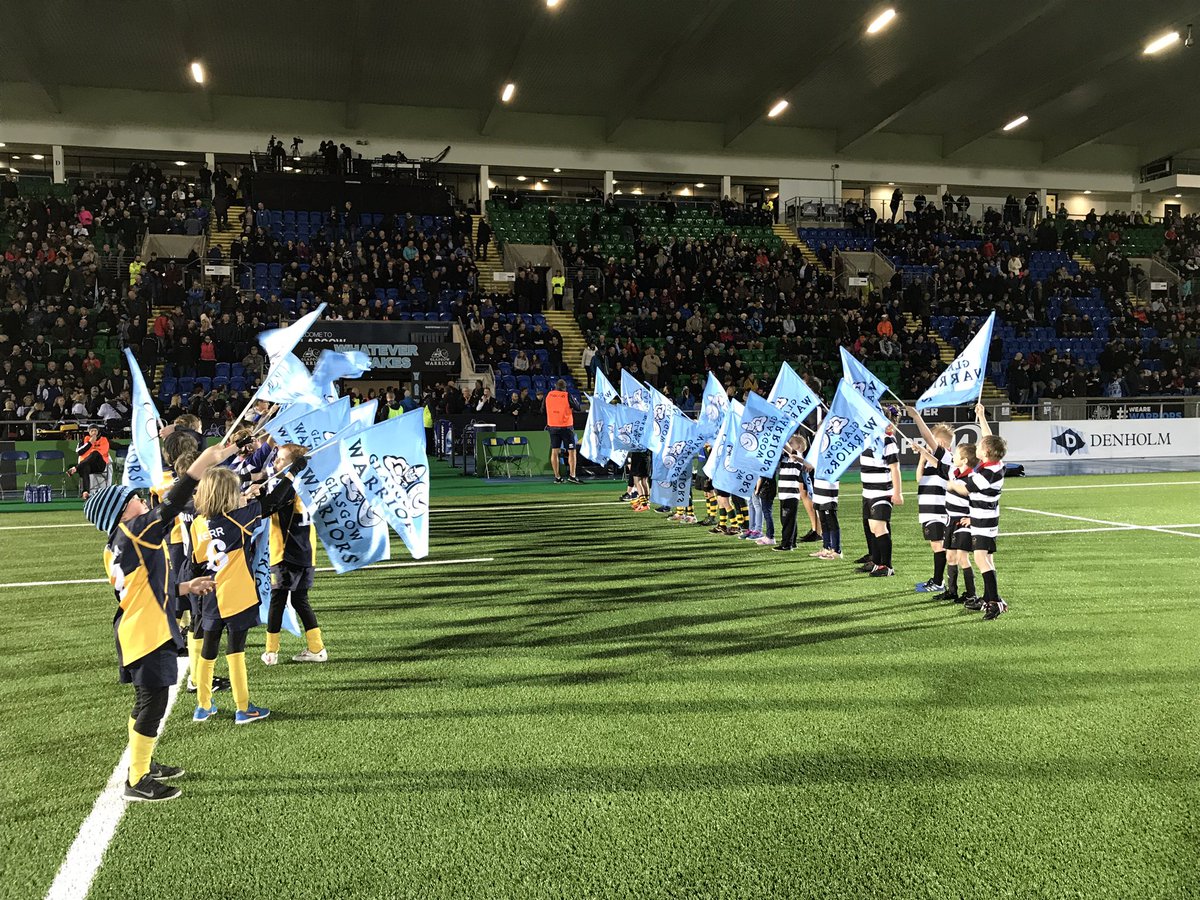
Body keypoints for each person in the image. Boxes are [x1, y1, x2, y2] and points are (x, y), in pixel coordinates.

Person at [83, 439, 237, 802]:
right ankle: (137, 780)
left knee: (145, 702)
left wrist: (185, 586)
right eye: (134, 499)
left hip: (138, 628)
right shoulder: (135, 531)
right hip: (147, 633)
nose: (141, 500)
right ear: (124, 513)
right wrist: (205, 461)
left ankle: (142, 764)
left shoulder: (118, 544)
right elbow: (171, 505)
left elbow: (147, 589)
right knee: (152, 705)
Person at [186, 465, 295, 724]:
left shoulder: (198, 522)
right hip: (236, 594)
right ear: (228, 495)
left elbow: (194, 560)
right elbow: (273, 502)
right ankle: (243, 707)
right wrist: (292, 474)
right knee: (236, 651)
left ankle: (203, 705)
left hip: (210, 595)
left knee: (208, 651)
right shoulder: (238, 518)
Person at [261, 444, 327, 666]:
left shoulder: (290, 486)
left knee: (278, 599)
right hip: (307, 552)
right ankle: (317, 647)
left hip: (286, 551)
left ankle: (271, 651)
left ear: (292, 464)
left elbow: (269, 506)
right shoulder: (308, 484)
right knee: (299, 600)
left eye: (280, 459)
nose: (275, 463)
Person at [947, 404, 1008, 619]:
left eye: (980, 447)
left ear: (987, 452)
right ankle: (991, 598)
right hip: (987, 519)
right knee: (987, 559)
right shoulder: (996, 464)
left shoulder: (984, 474)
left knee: (981, 559)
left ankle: (995, 601)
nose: (977, 447)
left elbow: (964, 489)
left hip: (983, 521)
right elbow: (988, 437)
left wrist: (950, 484)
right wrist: (981, 416)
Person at [908, 409, 955, 593]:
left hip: (938, 511)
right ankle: (938, 580)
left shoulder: (946, 458)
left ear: (941, 443)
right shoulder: (931, 460)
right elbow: (919, 478)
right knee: (935, 545)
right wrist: (922, 457)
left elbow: (928, 438)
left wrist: (916, 417)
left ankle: (938, 581)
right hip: (928, 510)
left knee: (938, 546)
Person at [859, 420, 902, 577]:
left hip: (882, 491)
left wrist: (897, 492)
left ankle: (887, 566)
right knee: (873, 529)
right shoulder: (866, 438)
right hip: (867, 492)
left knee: (879, 528)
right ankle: (877, 563)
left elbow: (894, 467)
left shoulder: (887, 439)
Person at [543, 379, 581, 484]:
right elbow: (577, 407)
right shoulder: (567, 395)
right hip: (566, 427)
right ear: (565, 387)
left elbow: (542, 410)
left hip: (552, 427)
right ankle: (572, 476)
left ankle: (557, 477)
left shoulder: (548, 395)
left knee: (555, 451)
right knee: (571, 451)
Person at [773, 437, 805, 552]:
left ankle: (786, 544)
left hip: (790, 494)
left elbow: (787, 447)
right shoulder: (786, 458)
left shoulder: (798, 457)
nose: (789, 445)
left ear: (799, 447)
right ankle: (793, 541)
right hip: (784, 494)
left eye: (792, 443)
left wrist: (781, 435)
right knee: (788, 520)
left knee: (787, 520)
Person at [69, 424, 110, 498]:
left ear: (98, 432)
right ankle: (85, 492)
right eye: (92, 431)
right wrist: (90, 443)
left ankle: (75, 468)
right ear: (89, 432)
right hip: (87, 465)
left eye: (95, 431)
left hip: (99, 465)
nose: (94, 433)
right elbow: (79, 452)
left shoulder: (104, 440)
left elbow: (103, 452)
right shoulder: (84, 440)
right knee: (85, 467)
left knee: (95, 453)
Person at [810, 474, 841, 560]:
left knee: (831, 521)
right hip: (818, 487)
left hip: (828, 489)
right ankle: (826, 548)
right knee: (823, 521)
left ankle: (836, 550)